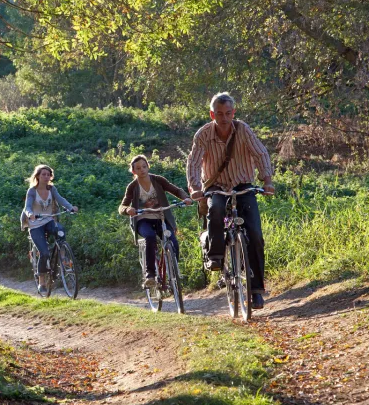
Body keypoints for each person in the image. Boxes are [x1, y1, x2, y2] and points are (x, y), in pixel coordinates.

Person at [186, 92, 275, 309]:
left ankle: (256, 291)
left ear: (233, 113)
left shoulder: (243, 130)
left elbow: (261, 153)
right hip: (216, 186)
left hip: (243, 185)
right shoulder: (204, 134)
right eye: (219, 114)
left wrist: (267, 181)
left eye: (228, 113)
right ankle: (216, 255)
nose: (224, 118)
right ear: (211, 114)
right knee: (215, 208)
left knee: (254, 233)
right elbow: (194, 162)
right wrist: (195, 187)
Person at [118, 155, 193, 289]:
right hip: (142, 220)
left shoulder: (158, 180)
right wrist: (128, 209)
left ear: (148, 166)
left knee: (173, 242)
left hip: (161, 217)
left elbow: (175, 190)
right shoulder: (132, 187)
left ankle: (173, 272)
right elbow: (122, 207)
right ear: (133, 171)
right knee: (150, 237)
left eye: (144, 166)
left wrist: (186, 198)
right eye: (138, 168)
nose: (142, 170)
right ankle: (150, 275)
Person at [21, 164, 78, 294]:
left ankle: (63, 258)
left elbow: (60, 199)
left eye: (48, 174)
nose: (46, 177)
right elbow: (27, 206)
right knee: (44, 253)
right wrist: (30, 214)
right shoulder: (32, 191)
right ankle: (42, 281)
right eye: (43, 174)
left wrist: (70, 207)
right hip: (35, 225)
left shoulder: (52, 189)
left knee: (60, 230)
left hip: (48, 220)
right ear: (38, 176)